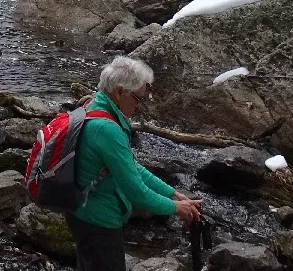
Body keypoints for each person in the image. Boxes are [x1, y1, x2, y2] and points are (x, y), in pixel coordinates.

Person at [68, 57, 203, 271]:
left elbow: (131, 166)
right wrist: (175, 208)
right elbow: (136, 191)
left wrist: (172, 193)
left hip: (82, 213)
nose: (140, 105)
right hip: (98, 220)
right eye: (138, 98)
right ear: (119, 92)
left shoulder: (96, 106)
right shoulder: (106, 129)